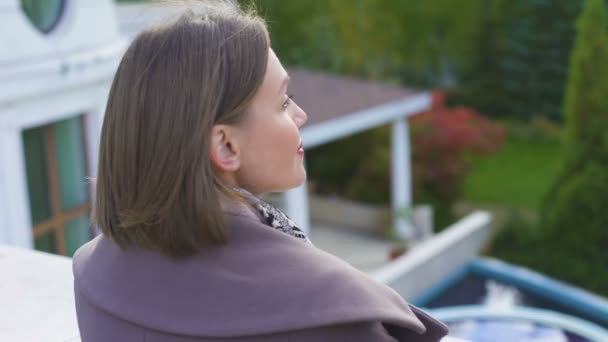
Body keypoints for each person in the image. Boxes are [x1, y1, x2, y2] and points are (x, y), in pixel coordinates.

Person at [72, 2, 449, 341]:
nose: (301, 115)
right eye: (284, 102)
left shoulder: (93, 279)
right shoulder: (337, 318)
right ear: (225, 146)